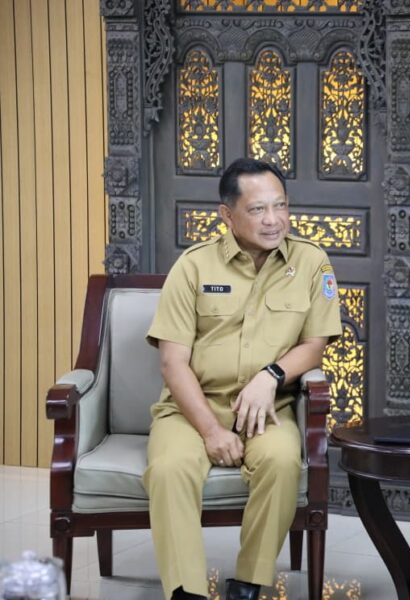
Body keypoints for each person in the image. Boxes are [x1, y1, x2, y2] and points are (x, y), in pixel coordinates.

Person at [143, 158, 342, 600]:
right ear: (227, 214)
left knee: (282, 461)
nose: (273, 220)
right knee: (169, 470)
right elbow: (173, 363)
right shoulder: (193, 266)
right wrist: (211, 431)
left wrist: (271, 376)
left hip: (268, 408)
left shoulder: (311, 262)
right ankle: (187, 592)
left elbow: (315, 344)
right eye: (257, 209)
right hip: (192, 407)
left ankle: (248, 584)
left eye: (280, 206)